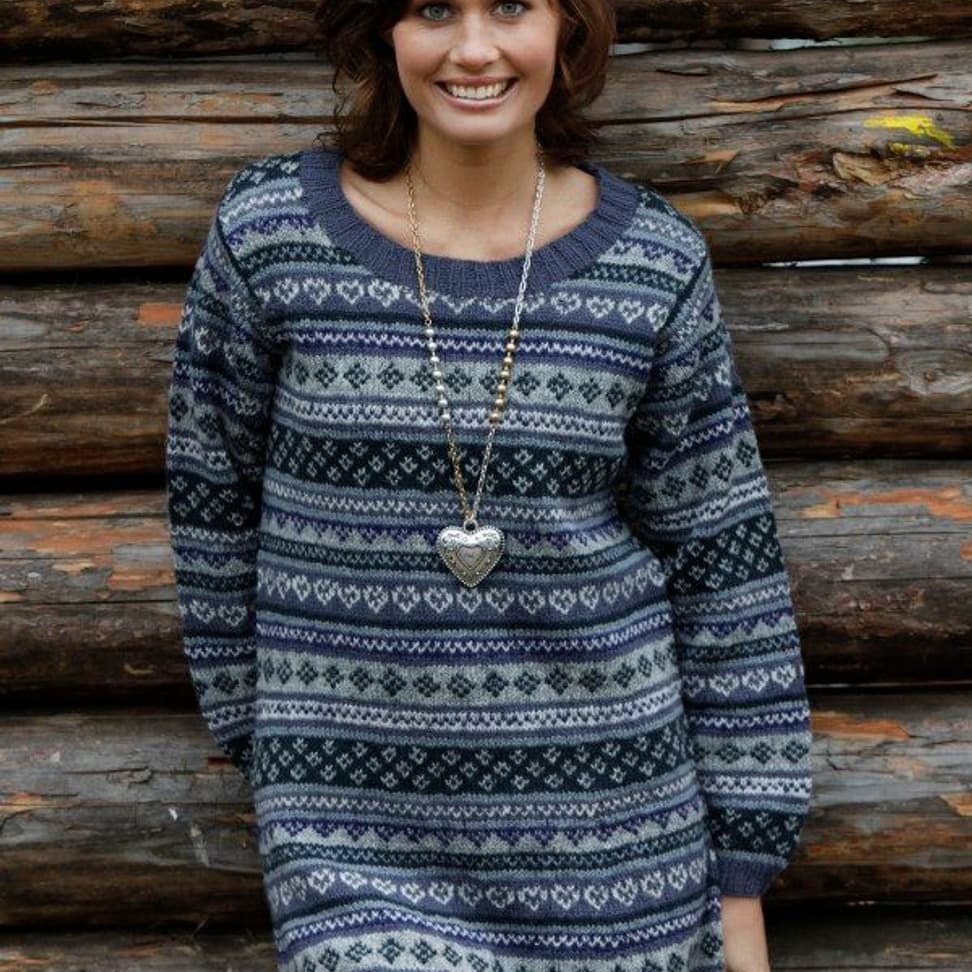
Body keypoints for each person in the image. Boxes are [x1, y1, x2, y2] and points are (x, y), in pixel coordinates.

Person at [164, 1, 814, 970]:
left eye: (510, 5)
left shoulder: (655, 264)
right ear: (384, 31)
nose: (474, 49)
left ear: (566, 26)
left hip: (620, 855)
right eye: (434, 8)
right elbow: (210, 503)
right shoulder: (271, 236)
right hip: (354, 851)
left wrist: (741, 888)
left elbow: (725, 571)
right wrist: (273, 744)